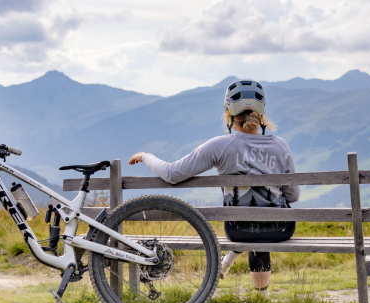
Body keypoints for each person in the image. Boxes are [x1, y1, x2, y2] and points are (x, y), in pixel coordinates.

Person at [128, 80, 299, 291]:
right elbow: (293, 196)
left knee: (251, 222)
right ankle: (260, 301)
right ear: (262, 111)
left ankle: (229, 265)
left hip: (238, 230)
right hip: (280, 229)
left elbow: (172, 174)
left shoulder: (219, 146)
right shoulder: (280, 145)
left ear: (228, 112)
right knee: (264, 216)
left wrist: (145, 156)